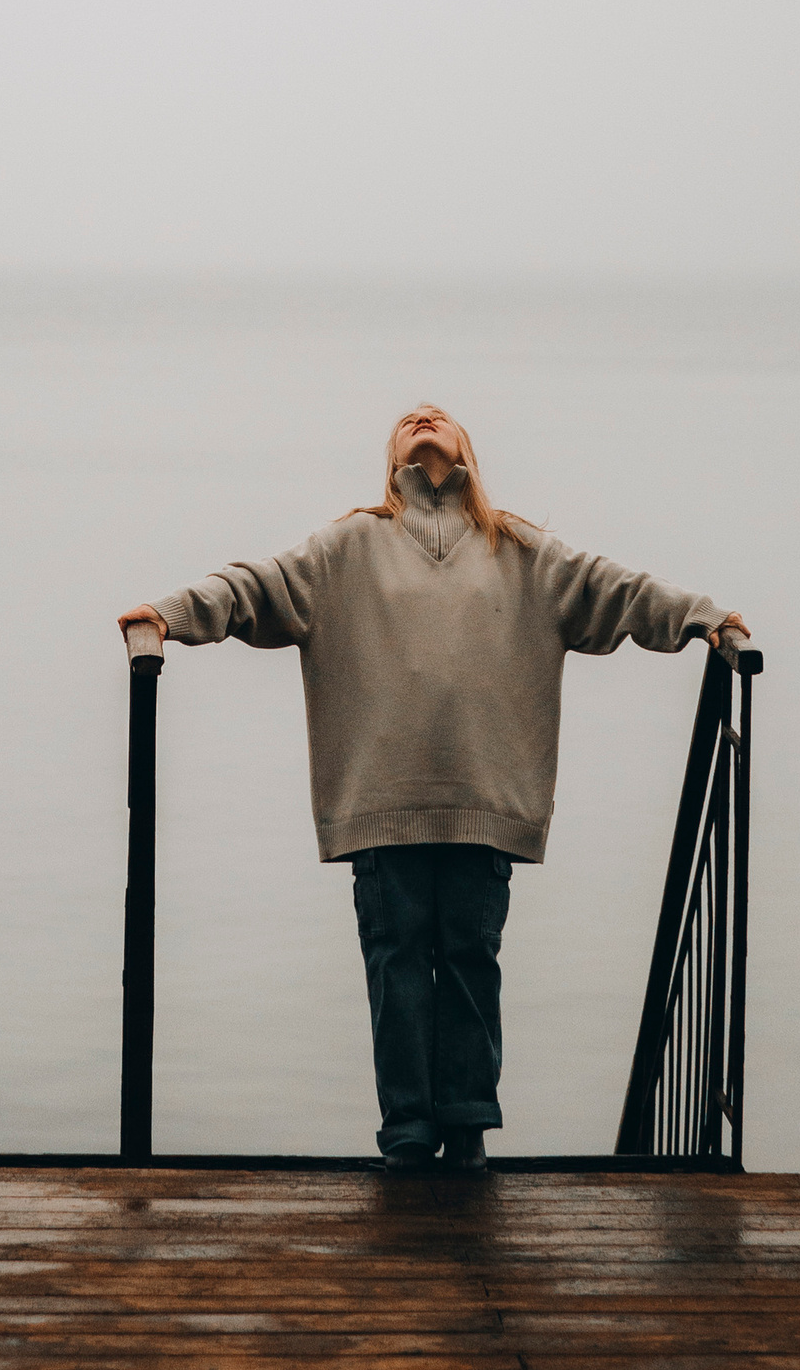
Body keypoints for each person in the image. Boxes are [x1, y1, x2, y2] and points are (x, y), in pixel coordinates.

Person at [121, 403, 746, 1172]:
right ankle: (410, 1133)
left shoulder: (518, 548)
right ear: (391, 460)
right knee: (398, 964)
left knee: (470, 962)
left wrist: (705, 618)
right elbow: (255, 586)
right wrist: (168, 613)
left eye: (440, 416)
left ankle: (470, 1128)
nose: (424, 417)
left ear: (468, 450)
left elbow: (614, 590)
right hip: (383, 803)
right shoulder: (349, 545)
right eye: (410, 420)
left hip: (484, 799)